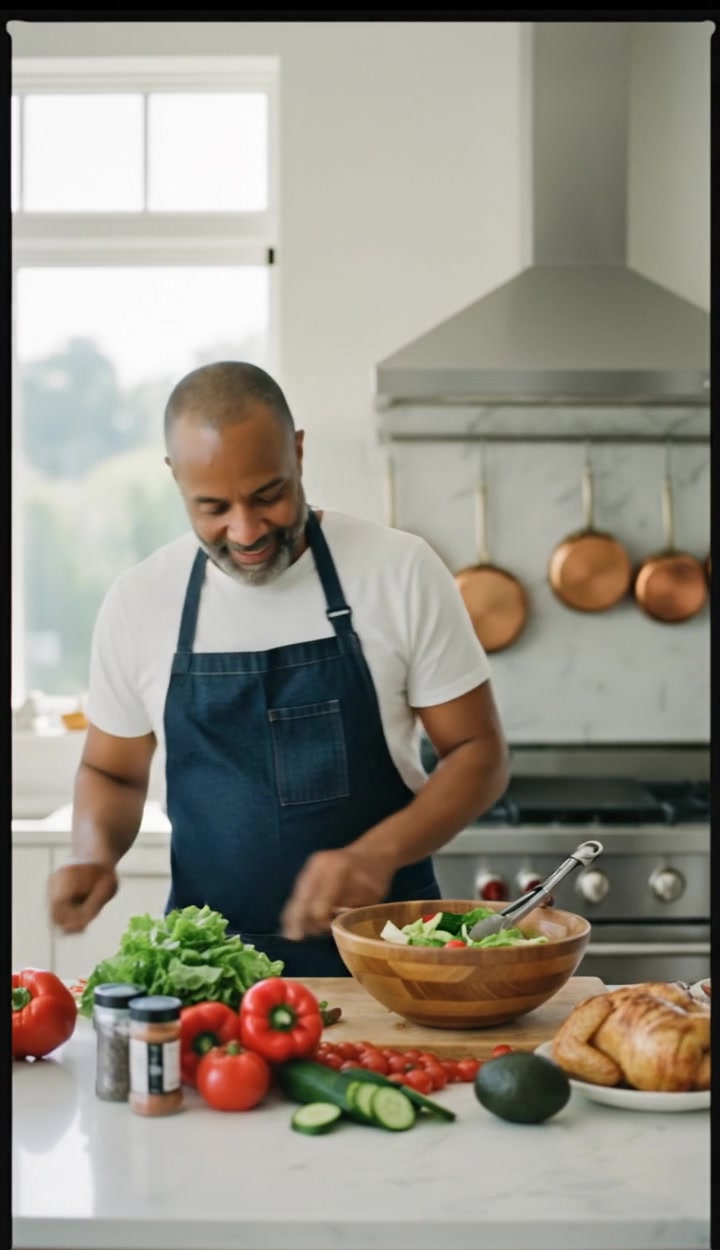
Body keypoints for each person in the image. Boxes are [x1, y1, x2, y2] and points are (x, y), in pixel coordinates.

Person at [48, 362, 509, 976]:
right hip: (209, 972)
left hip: (392, 959)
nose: (245, 530)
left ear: (297, 451)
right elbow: (112, 771)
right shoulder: (140, 601)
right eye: (212, 507)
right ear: (175, 478)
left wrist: (379, 854)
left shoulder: (398, 570)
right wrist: (94, 851)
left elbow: (479, 753)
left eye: (268, 495)